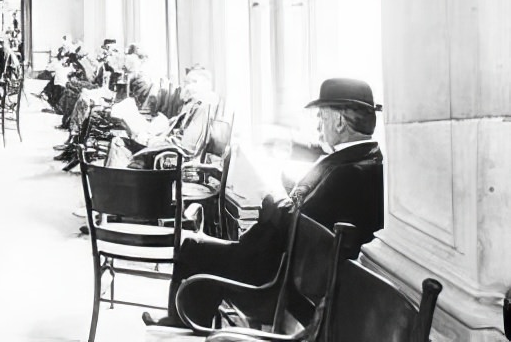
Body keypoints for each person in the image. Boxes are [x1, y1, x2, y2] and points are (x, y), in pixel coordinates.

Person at [146, 77, 384, 329]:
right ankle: (188, 322)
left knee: (193, 247)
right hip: (289, 263)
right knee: (203, 248)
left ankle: (180, 324)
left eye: (322, 116)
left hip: (278, 276)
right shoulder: (363, 158)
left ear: (338, 121)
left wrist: (272, 200)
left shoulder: (347, 173)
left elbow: (300, 222)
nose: (318, 123)